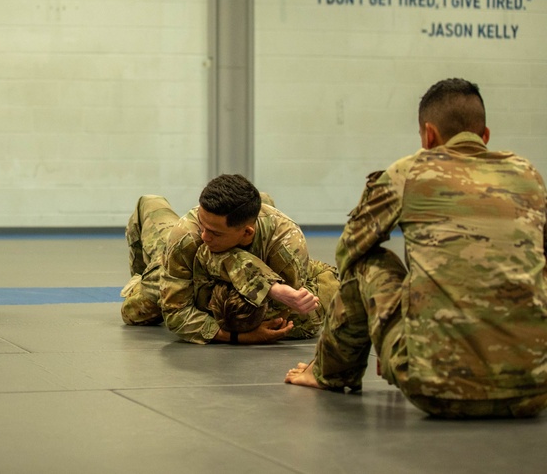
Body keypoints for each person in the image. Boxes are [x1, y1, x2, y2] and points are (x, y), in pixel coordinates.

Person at [285, 78, 547, 418]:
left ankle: (329, 374)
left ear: (429, 136)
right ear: (485, 136)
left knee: (368, 261)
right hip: (534, 391)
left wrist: (393, 323)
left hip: (435, 388)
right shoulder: (527, 175)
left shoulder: (410, 172)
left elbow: (350, 250)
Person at [121, 174, 337, 344]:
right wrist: (239, 338)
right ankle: (140, 280)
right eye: (203, 224)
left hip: (215, 290)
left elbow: (276, 315)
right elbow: (177, 315)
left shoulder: (287, 245)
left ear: (247, 232)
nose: (205, 236)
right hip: (177, 264)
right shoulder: (189, 235)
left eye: (215, 232)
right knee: (133, 313)